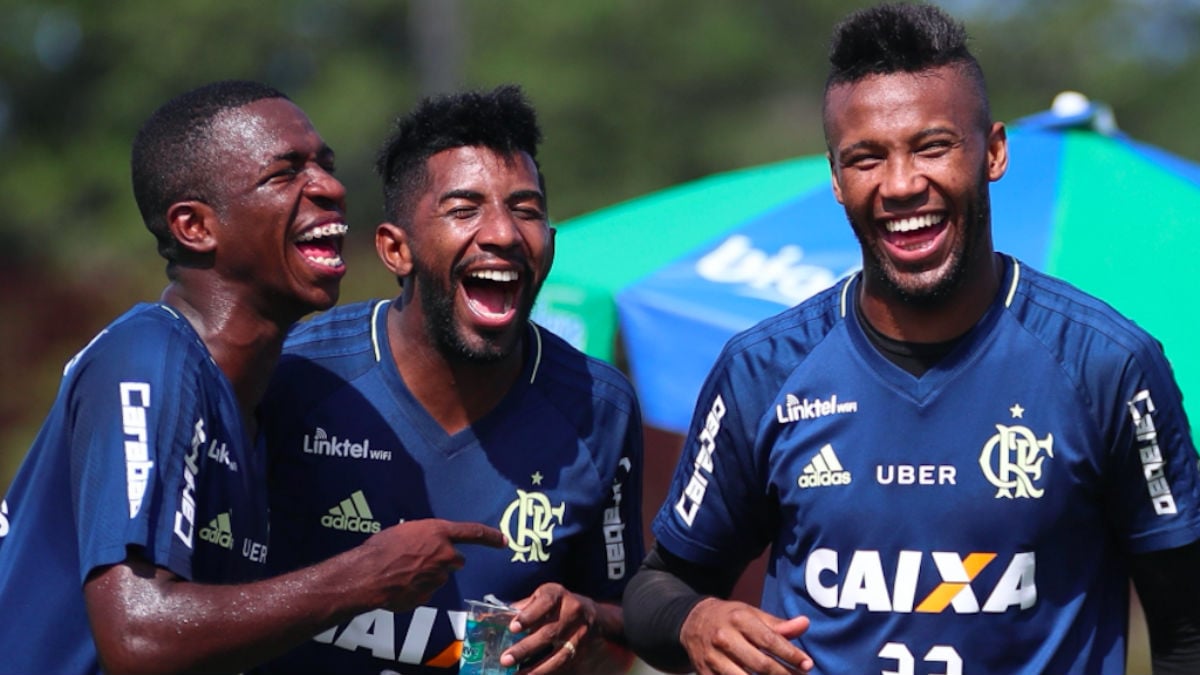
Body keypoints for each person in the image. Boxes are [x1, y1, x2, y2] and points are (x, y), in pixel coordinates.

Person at [622, 4, 1200, 675]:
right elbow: (653, 588)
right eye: (867, 158)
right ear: (837, 179)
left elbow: (1187, 632)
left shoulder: (1108, 365)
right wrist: (695, 618)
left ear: (993, 151)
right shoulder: (763, 369)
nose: (901, 185)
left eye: (932, 146)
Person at [0, 80, 504, 675]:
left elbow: (271, 627)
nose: (331, 188)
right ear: (194, 226)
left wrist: (509, 646)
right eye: (285, 174)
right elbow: (137, 637)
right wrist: (362, 577)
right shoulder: (149, 363)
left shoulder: (256, 404)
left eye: (325, 166)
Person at [254, 83, 645, 675]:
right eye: (464, 210)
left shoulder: (601, 406)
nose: (504, 234)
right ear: (395, 249)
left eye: (527, 210)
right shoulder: (294, 375)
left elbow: (625, 621)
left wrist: (586, 616)